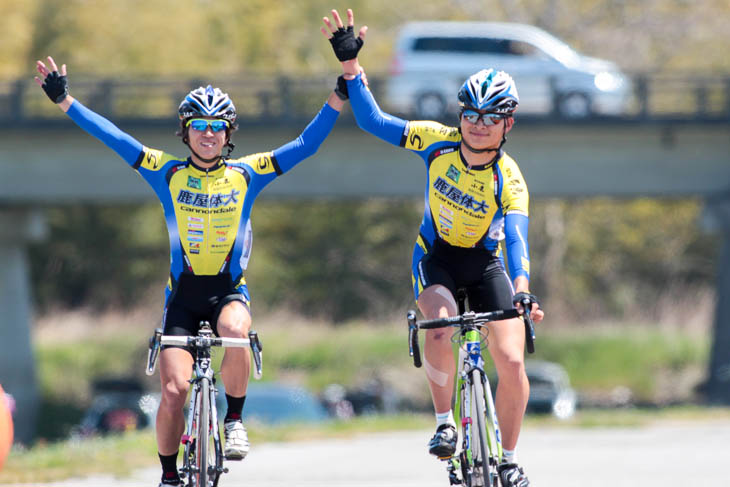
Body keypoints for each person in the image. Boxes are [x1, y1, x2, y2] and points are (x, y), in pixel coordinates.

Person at [35, 57, 349, 487]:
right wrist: (65, 100)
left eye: (217, 126)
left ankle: (233, 420)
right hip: (181, 298)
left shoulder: (247, 173)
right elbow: (114, 137)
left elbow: (305, 145)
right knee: (173, 392)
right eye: (198, 125)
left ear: (228, 134)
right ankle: (168, 474)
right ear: (185, 132)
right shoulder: (167, 171)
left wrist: (338, 96)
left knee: (236, 331)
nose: (207, 133)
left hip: (228, 292)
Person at [321, 10, 544, 487]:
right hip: (436, 257)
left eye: (490, 118)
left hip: (485, 263)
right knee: (439, 327)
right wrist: (351, 69)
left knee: (511, 358)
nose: (478, 125)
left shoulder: (510, 178)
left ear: (508, 124)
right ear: (459, 116)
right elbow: (373, 120)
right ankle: (445, 422)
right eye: (470, 114)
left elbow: (519, 241)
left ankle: (508, 457)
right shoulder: (435, 142)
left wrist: (523, 291)